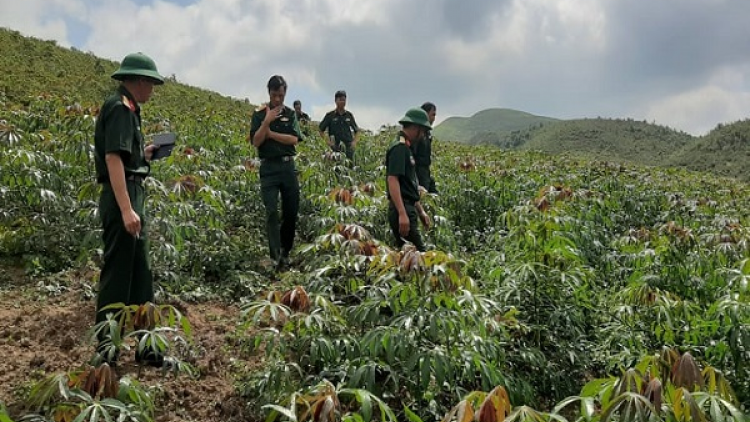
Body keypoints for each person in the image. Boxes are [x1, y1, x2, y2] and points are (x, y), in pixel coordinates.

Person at [93, 52, 164, 366]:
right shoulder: (121, 109)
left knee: (140, 277)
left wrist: (144, 154)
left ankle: (147, 349)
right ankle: (106, 351)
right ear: (139, 80)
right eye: (151, 83)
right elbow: (112, 159)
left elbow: (125, 158)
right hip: (123, 197)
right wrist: (126, 209)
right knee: (120, 275)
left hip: (132, 193)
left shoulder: (130, 110)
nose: (152, 89)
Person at [250, 75, 303, 270]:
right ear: (269, 93)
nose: (278, 99)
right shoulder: (259, 113)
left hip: (288, 167)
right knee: (271, 211)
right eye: (274, 95)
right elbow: (256, 141)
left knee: (291, 211)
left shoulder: (290, 113)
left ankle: (285, 252)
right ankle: (275, 256)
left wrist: (270, 134)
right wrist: (266, 123)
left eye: (281, 95)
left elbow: (294, 139)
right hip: (269, 168)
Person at [386, 108, 433, 251]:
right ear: (415, 127)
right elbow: (393, 180)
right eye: (423, 131)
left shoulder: (407, 148)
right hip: (403, 208)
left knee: (408, 258)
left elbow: (409, 185)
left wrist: (421, 211)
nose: (424, 135)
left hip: (408, 207)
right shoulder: (399, 148)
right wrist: (402, 213)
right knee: (420, 256)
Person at [319, 90, 360, 161]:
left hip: (348, 148)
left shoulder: (349, 115)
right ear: (335, 101)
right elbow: (320, 130)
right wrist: (328, 142)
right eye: (340, 100)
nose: (343, 102)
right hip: (335, 148)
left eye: (344, 100)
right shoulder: (330, 115)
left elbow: (357, 131)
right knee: (336, 169)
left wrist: (354, 143)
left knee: (349, 169)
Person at [411, 102, 438, 193]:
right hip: (418, 172)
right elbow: (412, 155)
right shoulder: (418, 133)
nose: (434, 118)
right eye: (432, 115)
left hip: (425, 171)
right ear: (425, 114)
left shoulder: (427, 133)